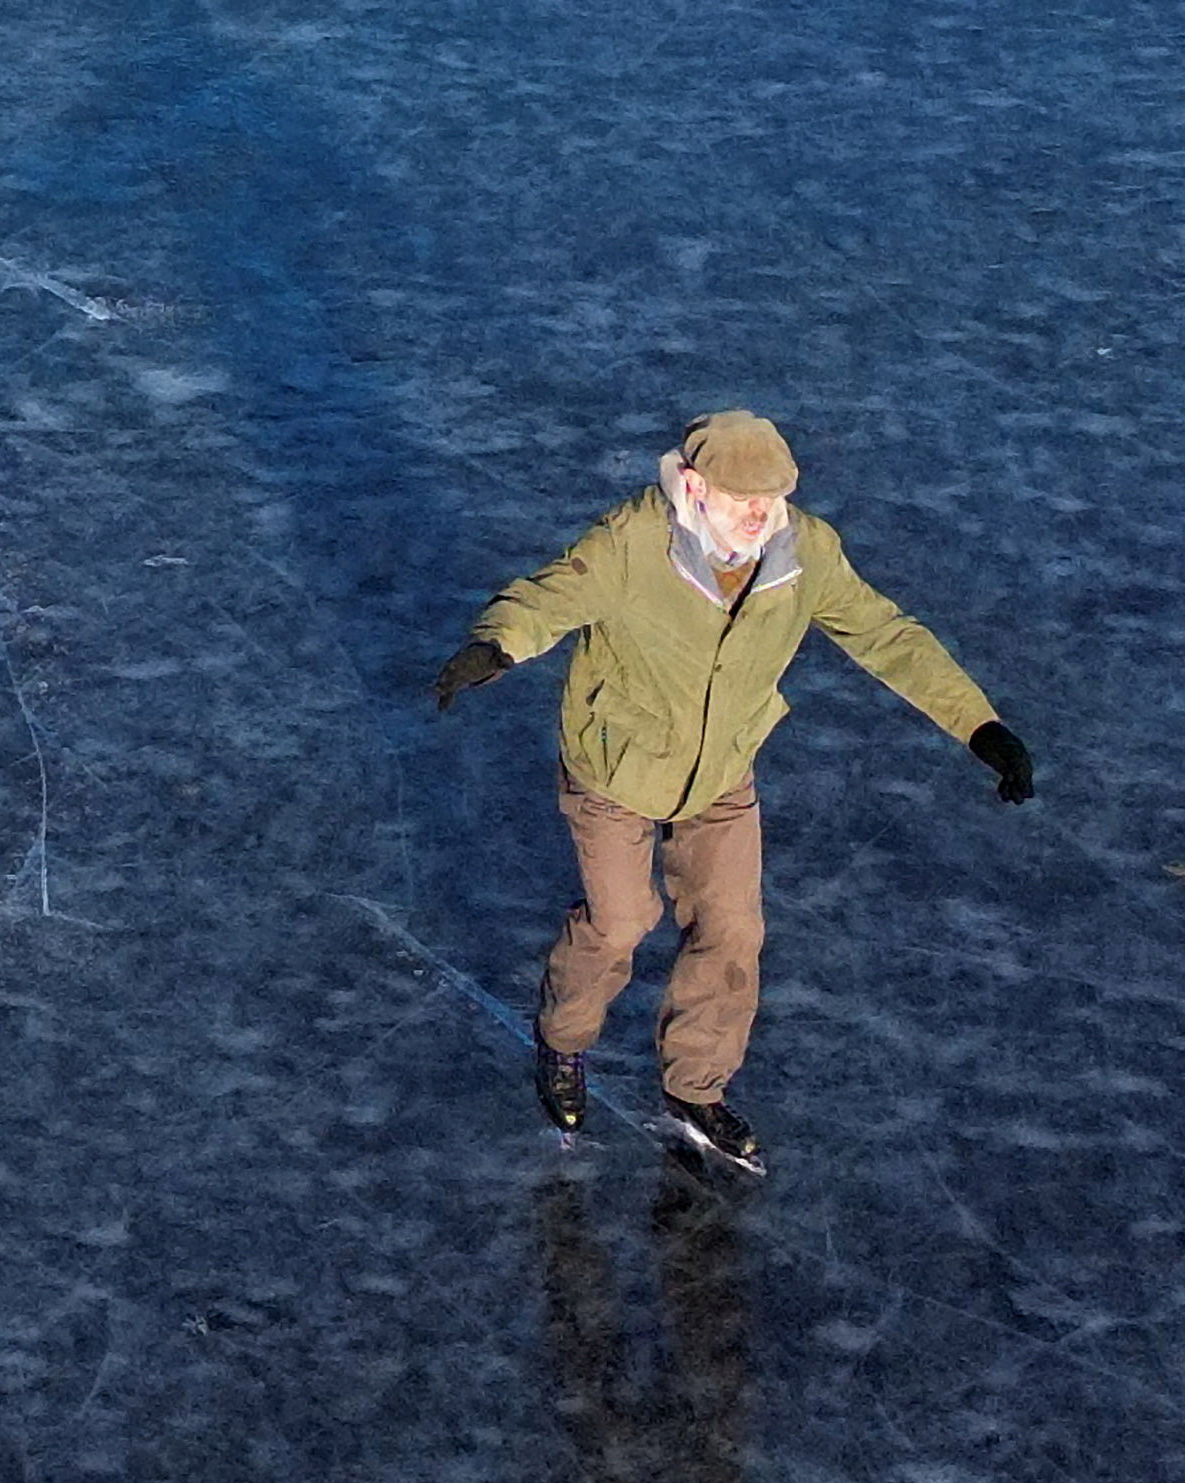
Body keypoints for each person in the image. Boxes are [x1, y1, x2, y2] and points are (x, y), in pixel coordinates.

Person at [434, 410, 1031, 1177]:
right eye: (744, 497)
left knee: (732, 930)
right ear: (692, 485)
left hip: (720, 771)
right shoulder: (631, 542)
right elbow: (548, 598)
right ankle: (563, 1039)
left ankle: (694, 1087)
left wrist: (981, 728)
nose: (761, 514)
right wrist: (496, 646)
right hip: (615, 769)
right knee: (620, 923)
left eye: (773, 498)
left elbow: (886, 634)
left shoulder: (800, 551)